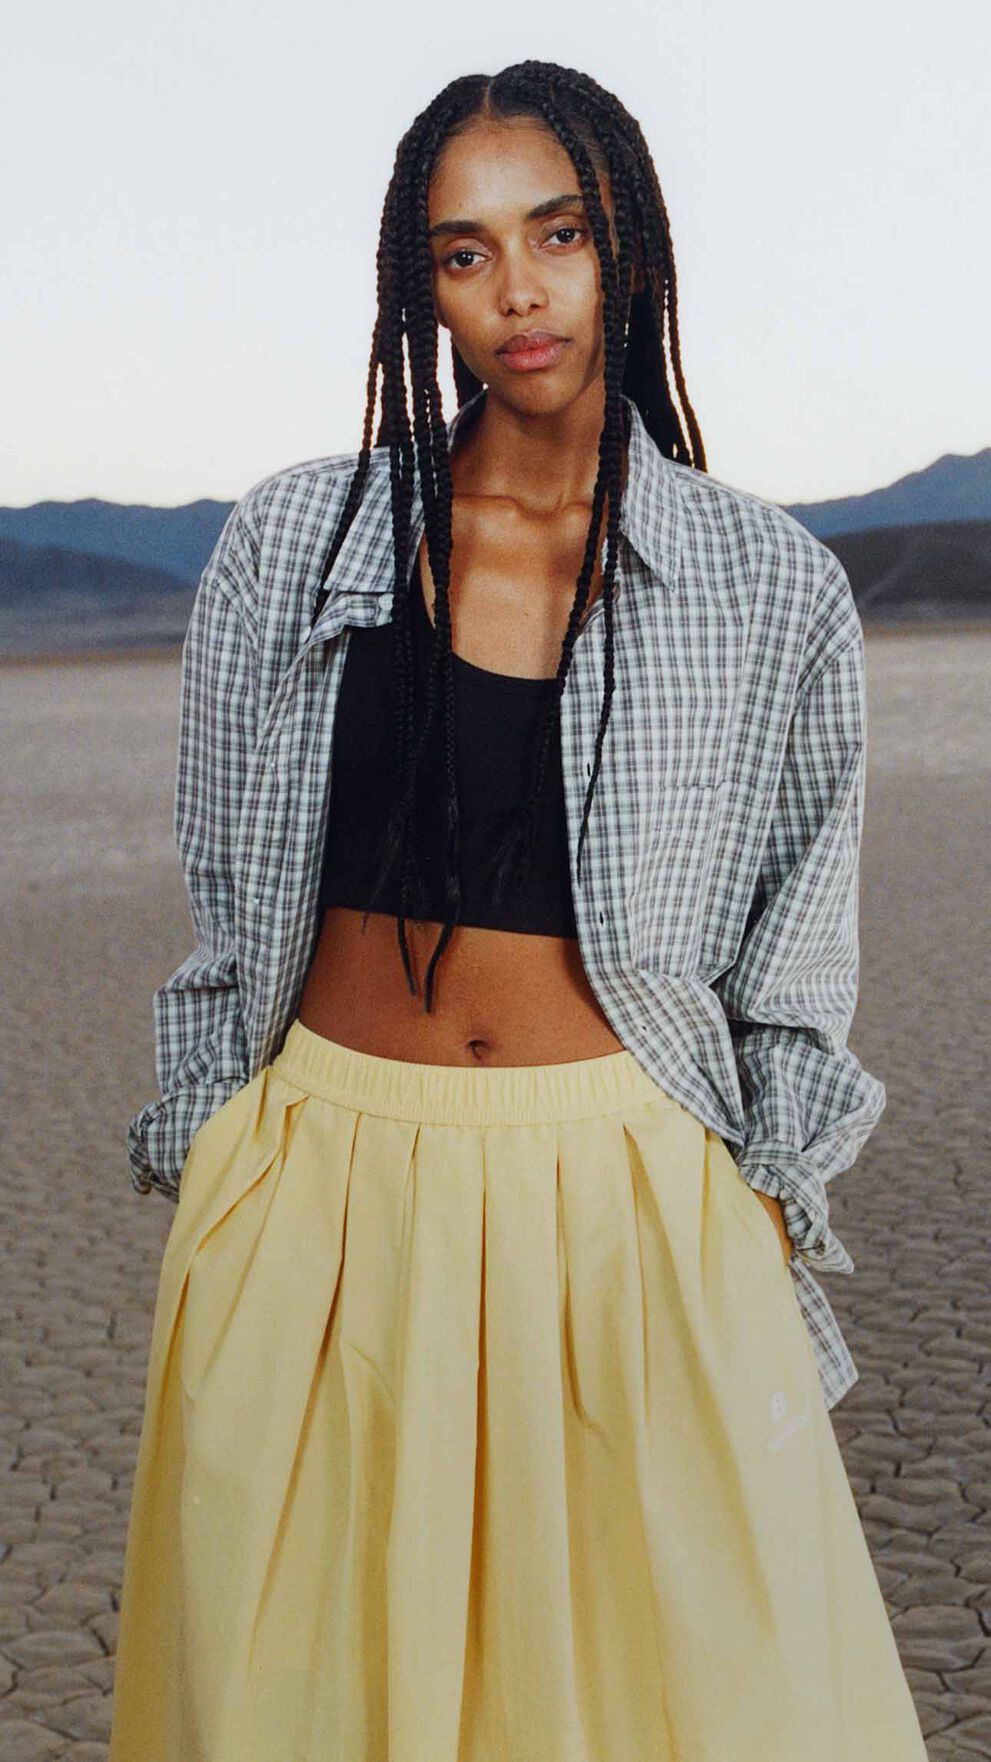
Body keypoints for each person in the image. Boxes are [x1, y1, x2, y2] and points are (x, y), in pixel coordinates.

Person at [108, 58, 928, 1762]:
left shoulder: (770, 586)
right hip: (323, 1193)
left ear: (628, 243)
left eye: (558, 234)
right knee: (302, 1710)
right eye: (464, 254)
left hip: (636, 1203)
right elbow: (227, 893)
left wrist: (757, 1216)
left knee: (691, 1706)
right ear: (422, 290)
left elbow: (796, 955)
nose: (519, 292)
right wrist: (220, 1162)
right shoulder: (292, 541)